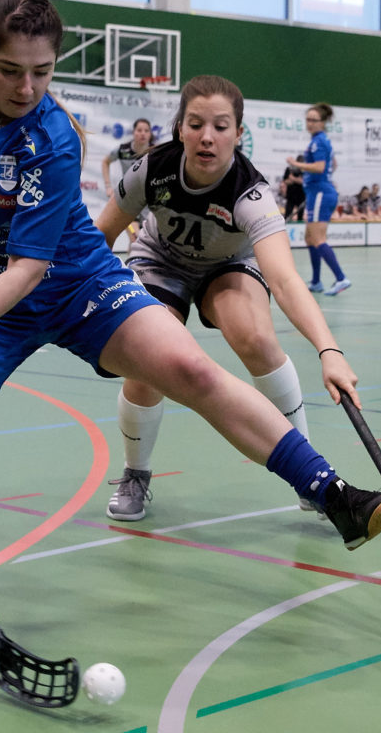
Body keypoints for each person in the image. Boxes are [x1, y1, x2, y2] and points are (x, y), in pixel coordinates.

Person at [0, 0, 381, 612]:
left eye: (43, 72)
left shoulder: (54, 139)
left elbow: (29, 269)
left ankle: (335, 496)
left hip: (80, 284)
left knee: (191, 368)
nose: (27, 87)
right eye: (10, 70)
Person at [94, 74, 362, 520]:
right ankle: (135, 473)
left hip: (227, 265)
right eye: (195, 123)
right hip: (161, 260)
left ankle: (310, 470)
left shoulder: (251, 193)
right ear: (179, 128)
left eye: (221, 126)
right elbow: (99, 236)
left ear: (239, 135)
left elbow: (286, 280)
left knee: (255, 337)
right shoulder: (150, 169)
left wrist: (328, 350)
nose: (207, 136)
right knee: (147, 360)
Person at [287, 103, 350, 296]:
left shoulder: (319, 141)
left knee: (318, 238)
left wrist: (296, 164)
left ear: (322, 123)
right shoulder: (319, 141)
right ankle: (316, 282)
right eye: (308, 119)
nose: (310, 123)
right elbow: (333, 164)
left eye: (314, 120)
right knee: (309, 237)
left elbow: (321, 167)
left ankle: (341, 278)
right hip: (316, 192)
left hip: (321, 192)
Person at [100, 118, 153, 192]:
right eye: (139, 130)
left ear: (150, 134)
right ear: (133, 132)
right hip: (127, 194)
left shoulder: (156, 151)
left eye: (146, 131)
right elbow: (105, 162)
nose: (143, 133)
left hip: (148, 194)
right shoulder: (123, 149)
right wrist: (108, 186)